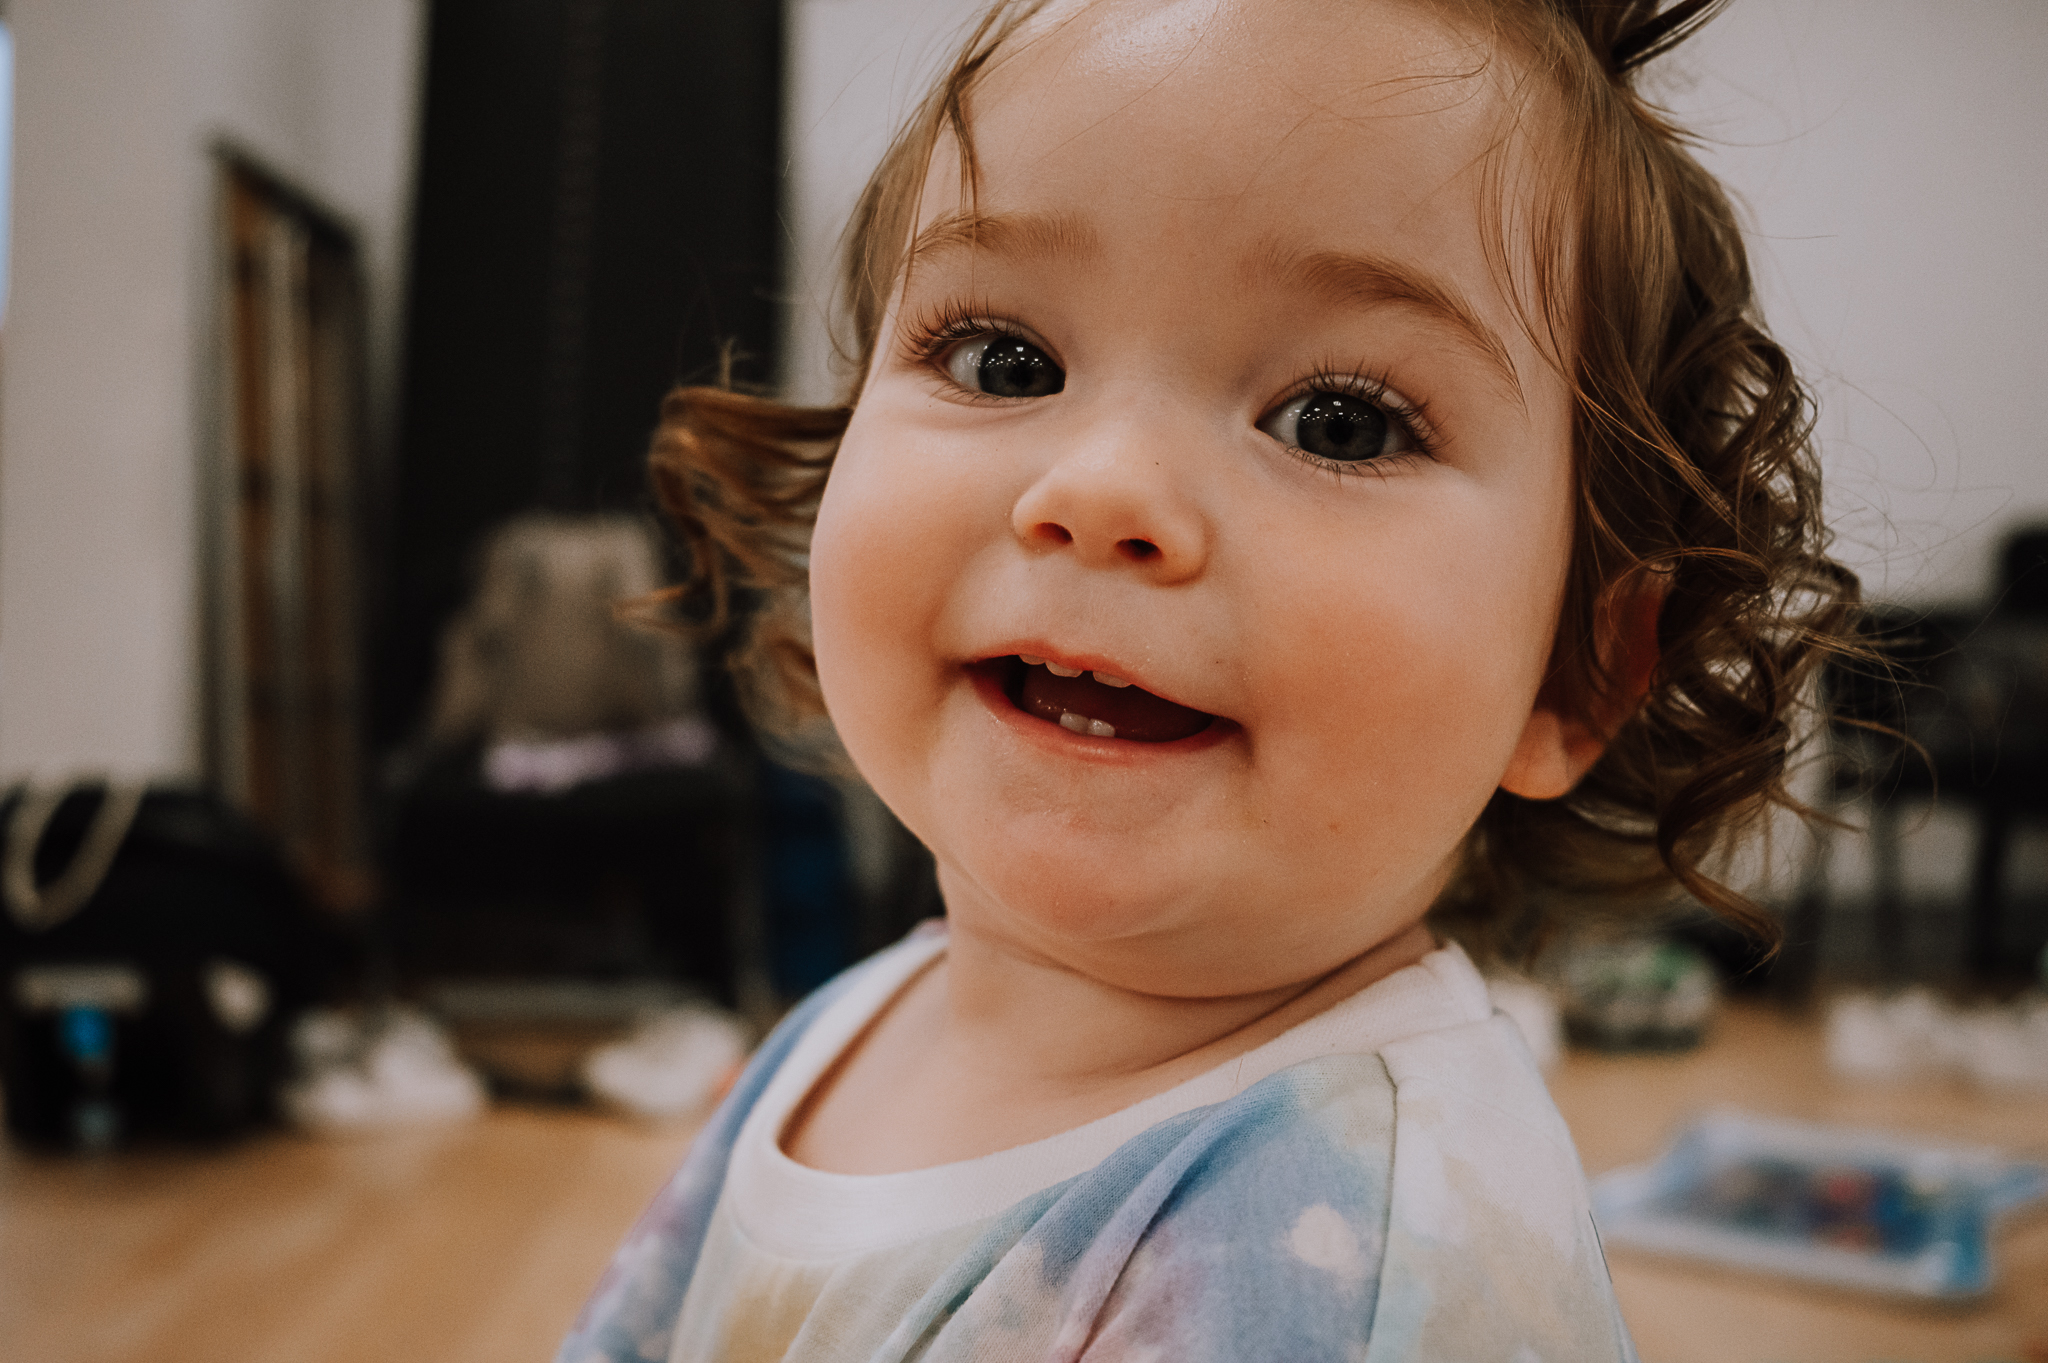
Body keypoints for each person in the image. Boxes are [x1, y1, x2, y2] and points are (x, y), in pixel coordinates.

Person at [558, 0, 1855, 1358]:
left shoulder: (1346, 1263)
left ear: (1578, 675)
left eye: (1338, 422)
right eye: (1008, 359)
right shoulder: (848, 1028)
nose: (1101, 488)